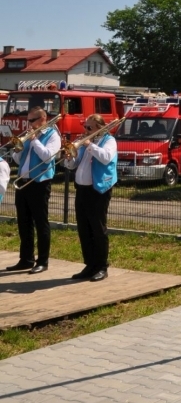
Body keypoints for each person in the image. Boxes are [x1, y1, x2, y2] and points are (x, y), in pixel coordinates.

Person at [63, 115, 118, 282]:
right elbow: (73, 165)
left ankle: (102, 266)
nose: (85, 131)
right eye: (85, 127)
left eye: (89, 128)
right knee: (84, 228)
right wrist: (69, 157)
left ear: (100, 127)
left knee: (98, 228)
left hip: (98, 190)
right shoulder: (86, 142)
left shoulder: (109, 140)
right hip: (82, 190)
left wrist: (89, 145)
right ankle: (90, 264)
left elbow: (106, 157)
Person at [7, 108, 61, 274]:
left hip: (39, 183)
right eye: (28, 120)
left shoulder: (52, 135)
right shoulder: (29, 135)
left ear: (43, 118)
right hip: (23, 182)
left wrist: (35, 140)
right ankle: (26, 259)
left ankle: (42, 261)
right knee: (24, 222)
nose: (29, 124)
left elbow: (48, 156)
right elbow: (18, 159)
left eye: (32, 120)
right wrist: (19, 148)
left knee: (41, 222)